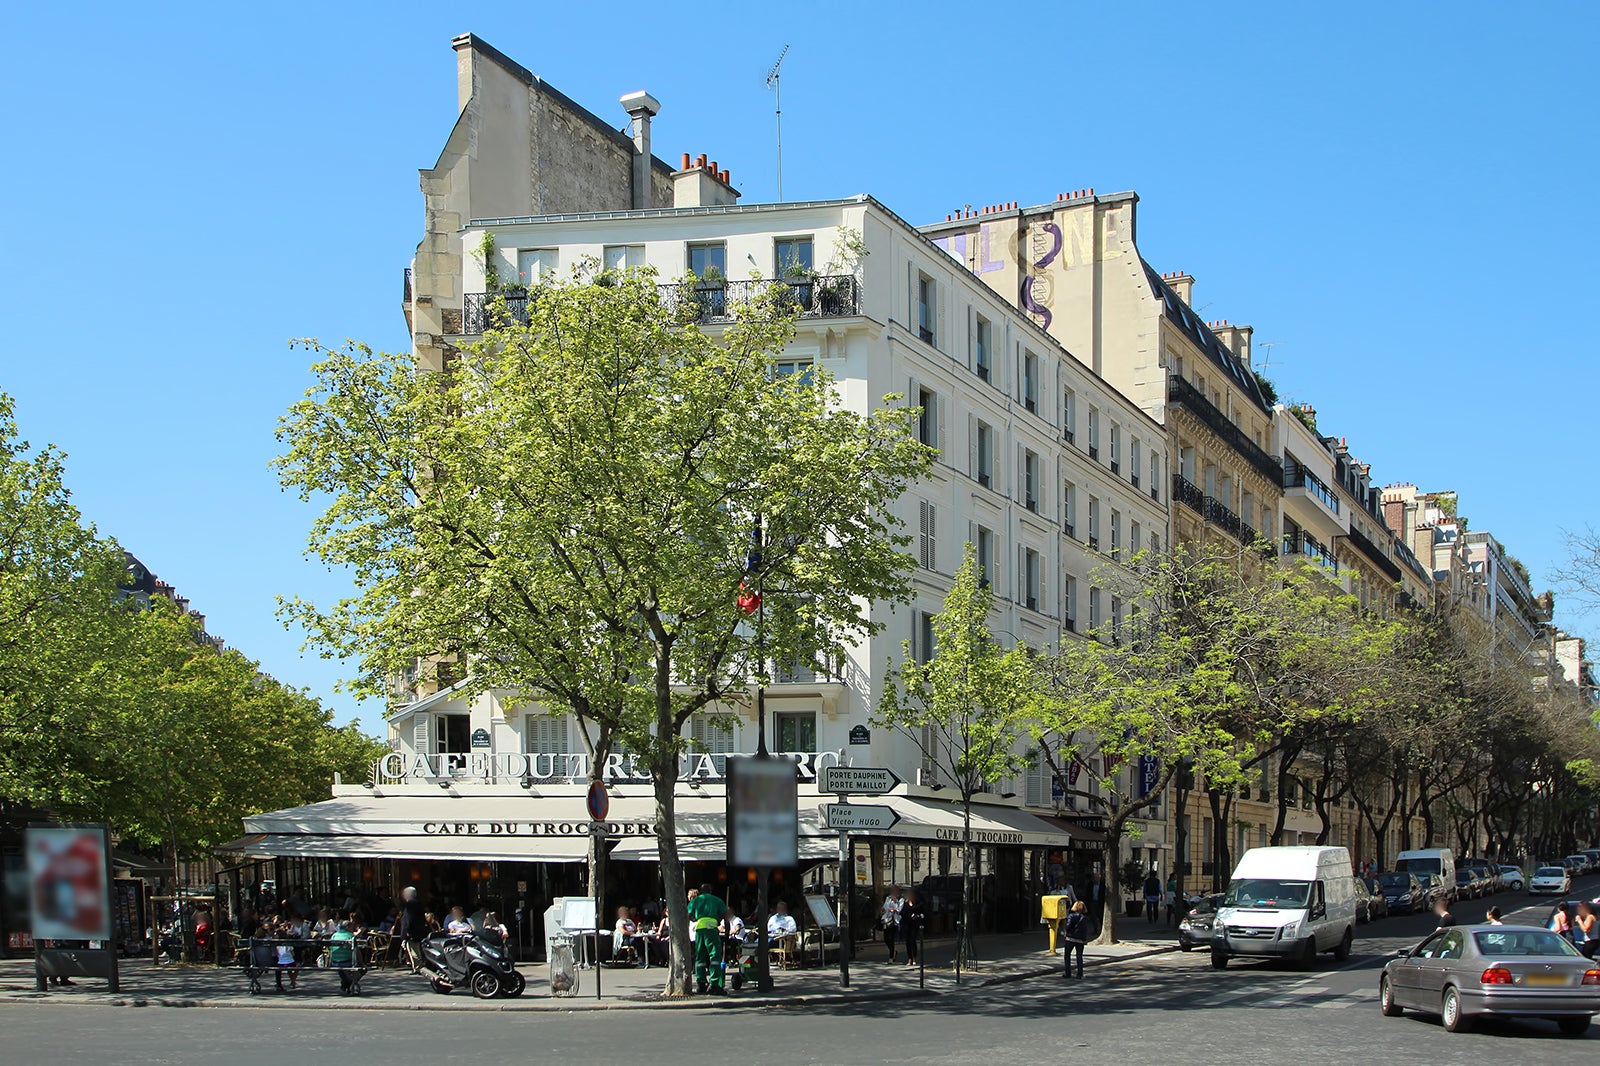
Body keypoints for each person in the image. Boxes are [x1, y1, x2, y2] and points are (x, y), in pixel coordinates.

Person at [686, 883, 728, 994]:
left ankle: (701, 984)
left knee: (700, 956)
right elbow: (724, 916)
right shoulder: (717, 900)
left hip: (699, 929)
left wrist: (696, 919)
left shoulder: (695, 901)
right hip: (712, 928)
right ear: (711, 890)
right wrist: (723, 927)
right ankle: (714, 984)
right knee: (714, 955)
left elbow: (689, 915)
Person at [398, 886, 427, 972]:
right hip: (418, 930)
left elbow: (409, 918)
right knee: (414, 949)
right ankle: (416, 967)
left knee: (414, 950)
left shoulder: (410, 904)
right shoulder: (418, 903)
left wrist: (407, 930)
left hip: (412, 931)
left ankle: (418, 968)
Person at [328, 920, 359, 995]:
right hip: (347, 962)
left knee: (342, 970)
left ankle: (345, 983)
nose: (353, 929)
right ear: (347, 927)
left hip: (335, 962)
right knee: (361, 968)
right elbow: (357, 951)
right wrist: (361, 961)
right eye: (352, 927)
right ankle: (348, 982)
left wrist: (330, 961)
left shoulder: (334, 935)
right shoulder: (350, 936)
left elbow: (330, 950)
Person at [1061, 900, 1090, 979]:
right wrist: (1084, 939)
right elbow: (1085, 930)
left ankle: (1068, 973)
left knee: (1067, 956)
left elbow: (1068, 926)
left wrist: (1066, 932)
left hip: (1070, 938)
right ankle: (1079, 974)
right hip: (1079, 940)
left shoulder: (1071, 916)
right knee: (1079, 957)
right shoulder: (1084, 918)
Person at [900, 891, 926, 968]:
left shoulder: (918, 904)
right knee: (908, 941)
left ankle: (914, 958)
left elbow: (922, 913)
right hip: (907, 924)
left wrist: (917, 916)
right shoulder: (905, 904)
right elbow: (902, 913)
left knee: (912, 940)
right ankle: (909, 958)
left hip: (914, 925)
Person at [880, 888, 904, 963]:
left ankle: (891, 957)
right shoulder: (888, 898)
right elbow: (885, 907)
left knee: (891, 938)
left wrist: (894, 905)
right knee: (886, 939)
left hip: (894, 921)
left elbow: (899, 910)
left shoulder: (900, 900)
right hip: (886, 920)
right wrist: (883, 909)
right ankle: (893, 951)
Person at [1085, 870, 1106, 936]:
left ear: (1099, 878)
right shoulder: (1090, 885)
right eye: (1094, 878)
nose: (1095, 879)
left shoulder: (1103, 885)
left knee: (1100, 916)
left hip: (1100, 902)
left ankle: (1102, 930)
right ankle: (1095, 929)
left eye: (1096, 878)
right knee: (1093, 916)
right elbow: (1087, 893)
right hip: (1093, 902)